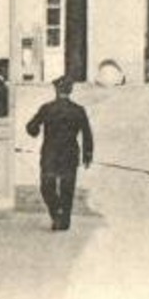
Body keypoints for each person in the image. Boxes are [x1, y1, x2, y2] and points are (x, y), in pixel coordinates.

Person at [25, 76, 93, 231]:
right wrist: (87, 155)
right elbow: (87, 134)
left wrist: (34, 130)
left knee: (46, 187)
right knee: (67, 188)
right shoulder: (78, 110)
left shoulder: (47, 108)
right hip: (70, 155)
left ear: (56, 90)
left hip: (50, 154)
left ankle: (56, 213)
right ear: (71, 90)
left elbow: (31, 128)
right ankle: (64, 221)